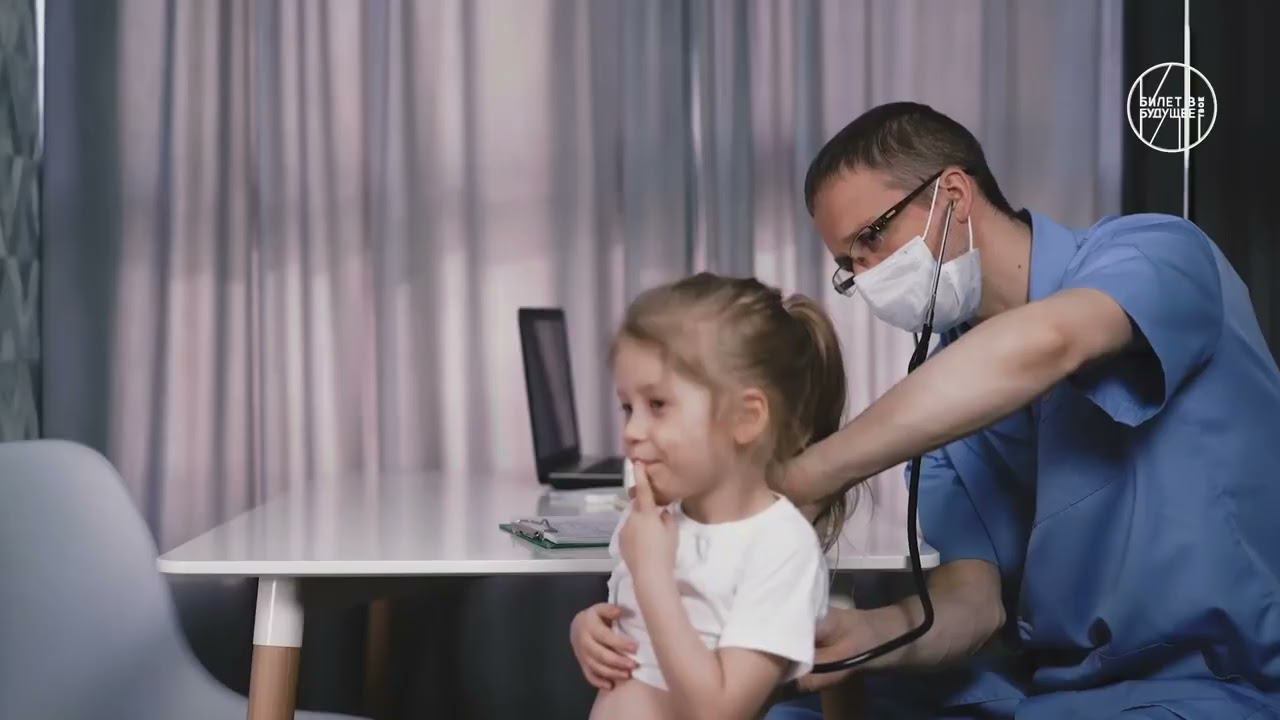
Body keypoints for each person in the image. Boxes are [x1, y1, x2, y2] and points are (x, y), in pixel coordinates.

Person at [771, 101, 1280, 718]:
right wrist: (869, 636)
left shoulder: (1158, 253)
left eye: (872, 238)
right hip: (1053, 693)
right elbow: (972, 605)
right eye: (850, 266)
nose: (867, 275)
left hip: (1209, 686)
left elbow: (1050, 344)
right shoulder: (938, 408)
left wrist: (811, 475)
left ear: (954, 195)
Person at [569, 273, 854, 719]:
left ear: (746, 418)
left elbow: (718, 710)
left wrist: (652, 575)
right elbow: (639, 635)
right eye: (627, 407)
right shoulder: (652, 519)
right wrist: (587, 630)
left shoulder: (780, 548)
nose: (632, 431)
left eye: (658, 405)